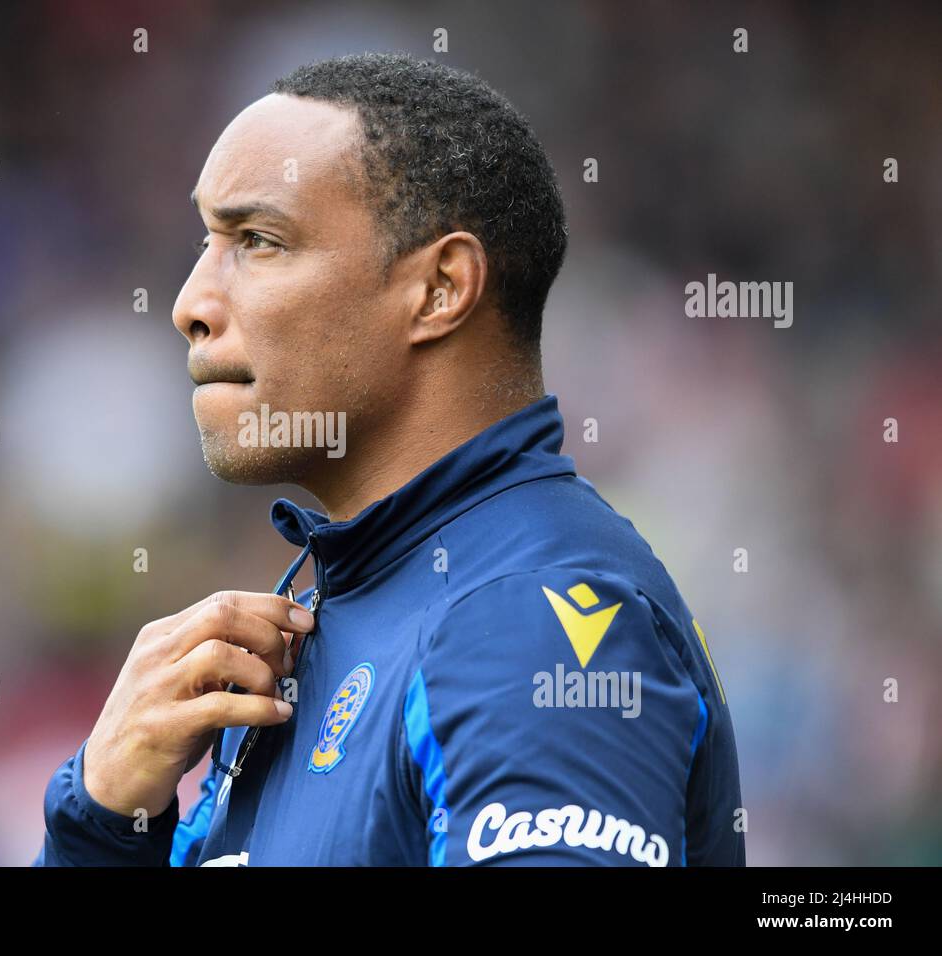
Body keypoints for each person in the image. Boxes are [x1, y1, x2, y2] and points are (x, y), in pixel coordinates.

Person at [36, 52, 744, 866]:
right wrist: (99, 823)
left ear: (440, 289)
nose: (191, 304)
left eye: (258, 240)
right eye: (207, 241)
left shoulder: (529, 620)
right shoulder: (330, 615)